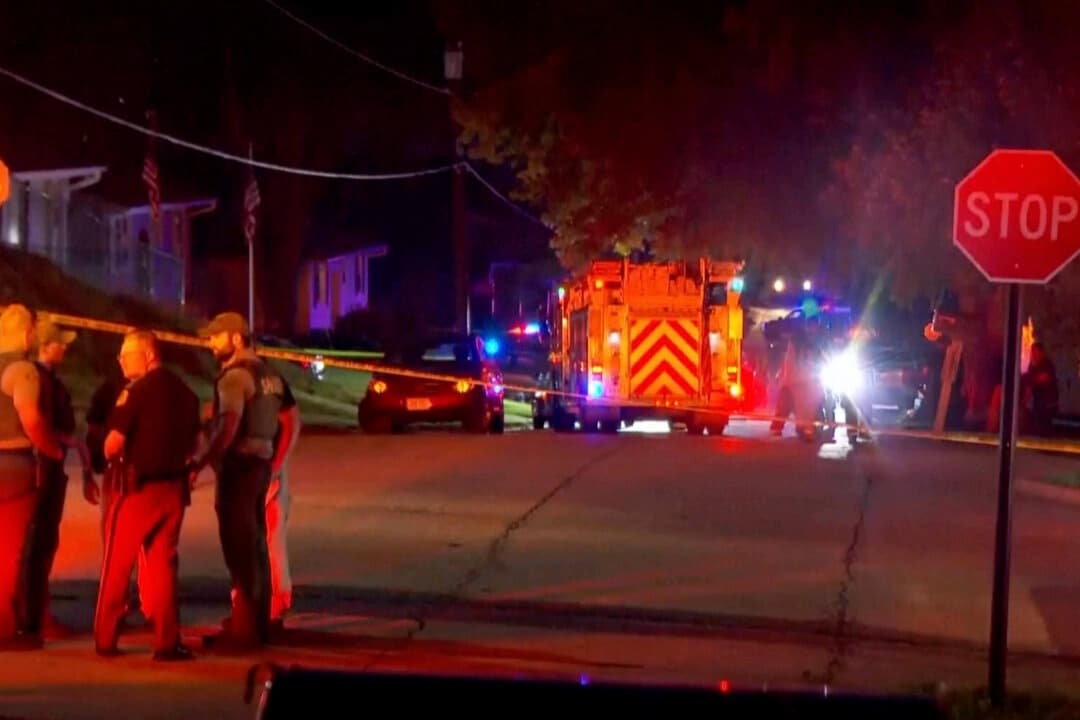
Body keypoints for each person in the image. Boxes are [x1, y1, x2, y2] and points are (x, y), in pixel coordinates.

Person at [94, 330, 200, 661]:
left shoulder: (135, 393)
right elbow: (196, 445)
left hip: (138, 491)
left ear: (149, 355)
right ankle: (167, 642)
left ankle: (106, 639)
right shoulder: (187, 393)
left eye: (127, 353)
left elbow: (113, 443)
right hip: (173, 492)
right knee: (164, 567)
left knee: (117, 564)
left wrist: (108, 458)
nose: (120, 359)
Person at [192, 312, 285, 651]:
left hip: (240, 467)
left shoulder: (234, 377)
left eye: (216, 337)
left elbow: (229, 426)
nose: (210, 343)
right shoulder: (269, 374)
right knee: (256, 544)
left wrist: (203, 461)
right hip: (261, 464)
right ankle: (257, 623)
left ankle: (244, 632)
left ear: (235, 338)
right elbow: (285, 420)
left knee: (238, 548)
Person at [20, 319, 98, 639]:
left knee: (45, 542)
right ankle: (30, 618)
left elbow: (64, 430)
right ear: (43, 345)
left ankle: (37, 613)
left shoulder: (51, 381)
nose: (64, 347)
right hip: (40, 469)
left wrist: (77, 451)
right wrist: (55, 450)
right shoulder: (33, 379)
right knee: (33, 544)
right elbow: (36, 424)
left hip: (52, 468)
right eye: (58, 343)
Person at [0, 304, 64, 648]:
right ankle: (6, 628)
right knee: (9, 549)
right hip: (12, 462)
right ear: (27, 335)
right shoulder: (21, 370)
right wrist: (51, 449)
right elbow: (31, 418)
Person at [86, 365, 151, 626]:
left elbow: (94, 430)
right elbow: (94, 429)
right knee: (145, 544)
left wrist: (93, 467)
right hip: (133, 472)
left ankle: (117, 608)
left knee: (117, 542)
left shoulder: (117, 388)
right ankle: (148, 606)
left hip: (123, 470)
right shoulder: (115, 389)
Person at [266, 377, 300, 632]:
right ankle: (260, 604)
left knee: (270, 536)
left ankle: (276, 604)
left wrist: (276, 466)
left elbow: (291, 423)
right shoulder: (272, 378)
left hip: (264, 470)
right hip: (262, 468)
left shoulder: (257, 378)